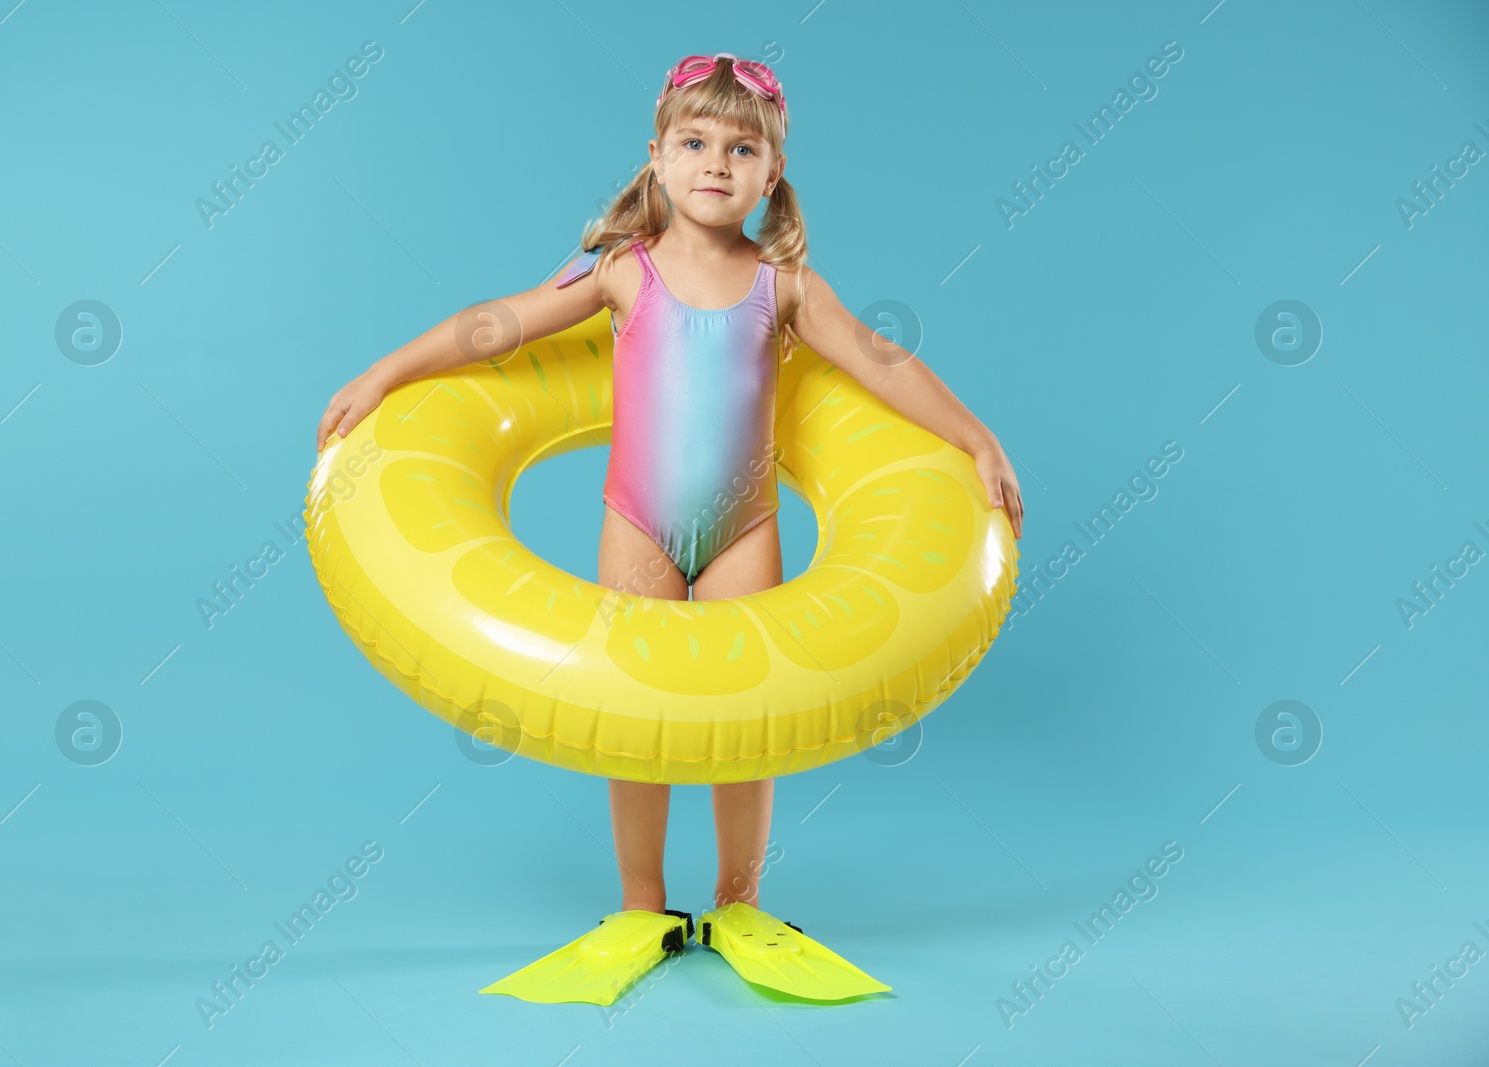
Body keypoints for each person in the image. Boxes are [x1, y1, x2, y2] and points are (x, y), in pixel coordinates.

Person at [316, 52, 1024, 1006]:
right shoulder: (622, 274)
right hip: (639, 523)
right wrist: (384, 374)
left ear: (772, 174)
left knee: (751, 723)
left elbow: (882, 364)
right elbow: (499, 327)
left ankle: (739, 900)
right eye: (694, 143)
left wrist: (977, 438)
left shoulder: (788, 287)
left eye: (742, 148)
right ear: (656, 158)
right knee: (630, 717)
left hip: (741, 526)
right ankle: (643, 903)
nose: (716, 165)